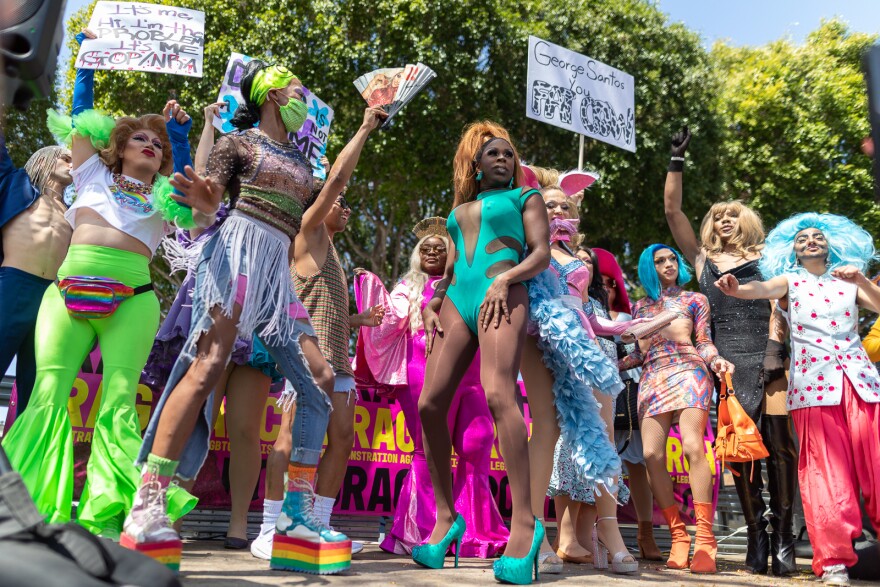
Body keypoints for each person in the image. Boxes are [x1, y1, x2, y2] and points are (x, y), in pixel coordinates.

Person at [125, 59, 385, 575]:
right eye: (294, 87)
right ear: (269, 94)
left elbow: (332, 186)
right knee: (208, 363)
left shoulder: (300, 160)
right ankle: (148, 502)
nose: (301, 97)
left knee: (319, 381)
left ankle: (295, 518)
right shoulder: (237, 143)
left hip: (276, 274)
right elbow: (210, 197)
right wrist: (201, 199)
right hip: (237, 252)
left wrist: (365, 127)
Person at [1, 28, 197, 538]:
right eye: (141, 137)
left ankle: (106, 515)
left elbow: (193, 188)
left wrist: (179, 134)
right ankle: (29, 510)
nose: (150, 146)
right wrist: (87, 63)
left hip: (133, 301)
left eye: (157, 144)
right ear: (118, 145)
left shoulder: (165, 198)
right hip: (65, 296)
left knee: (117, 402)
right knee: (46, 393)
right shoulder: (90, 173)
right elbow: (81, 111)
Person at [142, 102, 283, 550]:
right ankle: (163, 514)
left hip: (260, 315)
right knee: (197, 409)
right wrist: (201, 126)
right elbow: (199, 176)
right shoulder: (217, 202)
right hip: (216, 304)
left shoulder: (277, 202)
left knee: (245, 427)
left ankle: (240, 525)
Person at [413, 121, 547, 584]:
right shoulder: (458, 211)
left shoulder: (525, 199)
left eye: (509, 155)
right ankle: (447, 519)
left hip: (503, 293)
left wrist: (506, 280)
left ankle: (525, 525)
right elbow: (451, 269)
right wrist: (433, 301)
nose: (503, 160)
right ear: (477, 163)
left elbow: (541, 254)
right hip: (458, 302)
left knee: (498, 395)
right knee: (430, 403)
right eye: (494, 153)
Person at [715, 212, 880, 586]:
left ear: (830, 243)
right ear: (792, 248)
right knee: (825, 474)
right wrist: (734, 288)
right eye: (802, 237)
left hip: (861, 383)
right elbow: (759, 289)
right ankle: (834, 560)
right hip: (814, 387)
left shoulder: (849, 279)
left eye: (817, 236)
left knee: (877, 466)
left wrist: (861, 279)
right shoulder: (789, 281)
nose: (810, 241)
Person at [663, 126, 799, 575]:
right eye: (718, 215)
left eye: (732, 215)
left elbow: (781, 303)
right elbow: (672, 209)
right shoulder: (701, 259)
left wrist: (775, 349)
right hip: (724, 363)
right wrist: (676, 160)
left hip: (770, 356)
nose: (724, 220)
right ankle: (756, 538)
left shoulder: (769, 255)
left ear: (746, 222)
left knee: (779, 447)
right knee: (739, 451)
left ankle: (783, 538)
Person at [354, 218, 509, 557]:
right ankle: (419, 531)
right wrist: (368, 287)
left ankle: (473, 532)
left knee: (478, 442)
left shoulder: (469, 282)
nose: (434, 253)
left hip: (472, 376)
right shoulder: (409, 287)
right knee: (427, 452)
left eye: (441, 248)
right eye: (427, 249)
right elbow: (386, 316)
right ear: (417, 255)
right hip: (423, 371)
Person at [534, 184, 639, 574]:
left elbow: (587, 314)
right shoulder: (529, 250)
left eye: (565, 204)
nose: (559, 209)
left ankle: (611, 536)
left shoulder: (571, 256)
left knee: (603, 438)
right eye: (550, 204)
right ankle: (536, 535)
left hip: (588, 347)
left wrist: (623, 328)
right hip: (542, 341)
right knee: (545, 434)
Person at [620, 244, 734, 574]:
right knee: (652, 455)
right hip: (652, 377)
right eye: (660, 260)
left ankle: (706, 539)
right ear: (648, 267)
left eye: (672, 258)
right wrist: (604, 364)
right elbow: (637, 355)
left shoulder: (695, 300)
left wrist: (715, 360)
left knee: (693, 447)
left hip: (690, 371)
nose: (668, 264)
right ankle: (678, 535)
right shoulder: (639, 306)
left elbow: (703, 341)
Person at [593, 246, 663, 561]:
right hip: (590, 395)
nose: (606, 287)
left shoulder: (629, 314)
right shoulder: (583, 307)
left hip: (626, 399)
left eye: (611, 282)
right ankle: (592, 533)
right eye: (601, 281)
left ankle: (645, 534)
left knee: (636, 465)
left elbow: (640, 354)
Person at [0, 119, 72, 414]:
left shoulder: (78, 212)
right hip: (13, 286)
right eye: (66, 157)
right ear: (45, 159)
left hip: (53, 300)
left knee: (37, 388)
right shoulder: (14, 184)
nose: (72, 163)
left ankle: (23, 456)